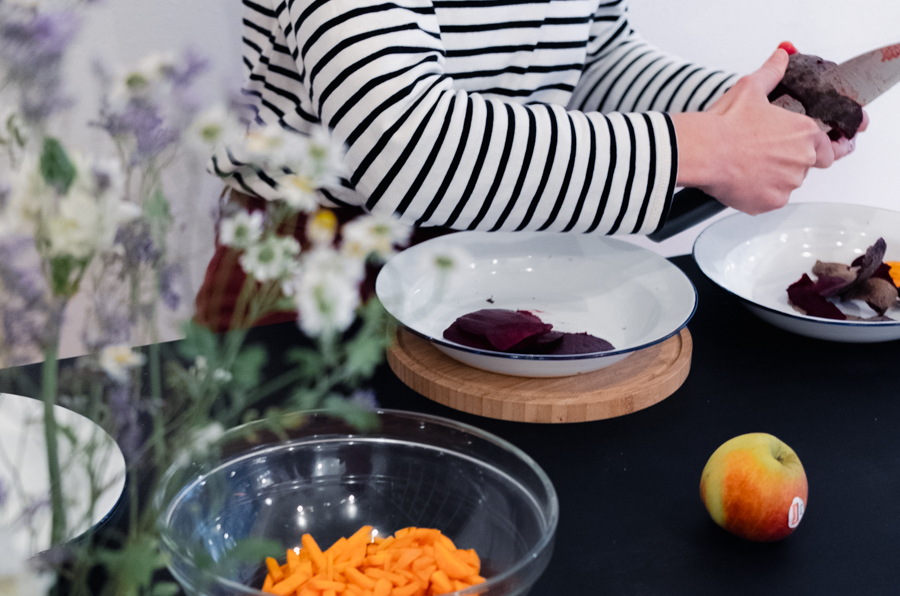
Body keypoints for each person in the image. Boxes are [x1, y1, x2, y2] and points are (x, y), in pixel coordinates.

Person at [197, 1, 863, 327]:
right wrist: (706, 149)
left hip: (502, 260)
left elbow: (592, 62)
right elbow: (402, 144)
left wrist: (747, 113)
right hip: (313, 282)